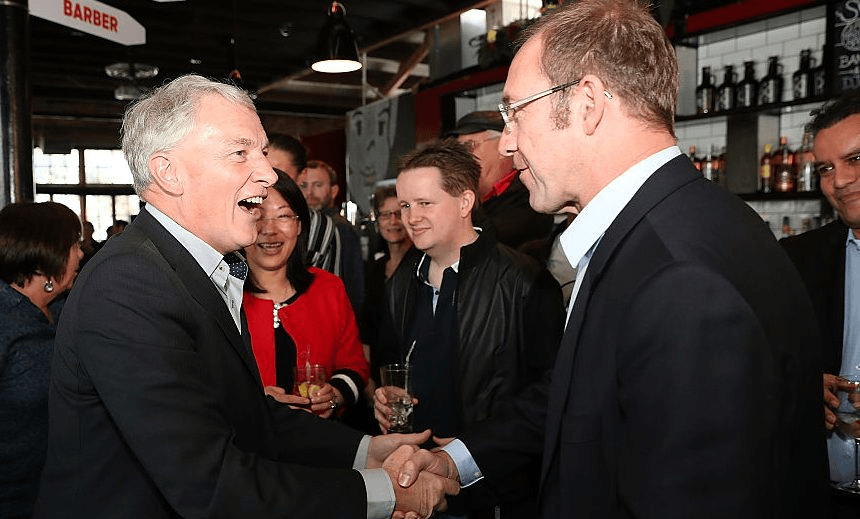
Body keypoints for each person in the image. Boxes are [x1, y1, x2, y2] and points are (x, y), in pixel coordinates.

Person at [396, 1, 828, 517]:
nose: (507, 144)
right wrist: (456, 461)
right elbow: (582, 391)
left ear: (587, 103)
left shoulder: (679, 273)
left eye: (515, 112)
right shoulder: (663, 227)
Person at [34, 74, 457, 519]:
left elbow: (252, 417)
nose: (268, 173)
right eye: (241, 153)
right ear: (167, 172)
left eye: (262, 152)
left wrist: (368, 449)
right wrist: (387, 492)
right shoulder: (130, 284)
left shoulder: (191, 269)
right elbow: (210, 484)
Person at [374, 139, 565, 517]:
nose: (410, 217)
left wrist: (465, 454)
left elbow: (551, 396)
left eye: (425, 203)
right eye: (405, 205)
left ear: (464, 203)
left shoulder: (524, 282)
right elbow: (386, 366)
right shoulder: (401, 283)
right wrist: (380, 398)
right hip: (415, 484)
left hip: (497, 490)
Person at [780, 93, 860, 517]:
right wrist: (800, 386)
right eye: (827, 168)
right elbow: (765, 362)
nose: (840, 181)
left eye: (856, 159)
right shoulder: (797, 259)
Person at [243, 168, 369, 421]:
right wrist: (252, 402)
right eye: (258, 216)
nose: (269, 230)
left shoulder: (328, 288)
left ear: (299, 226)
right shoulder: (220, 293)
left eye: (283, 216)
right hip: (246, 448)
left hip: (320, 444)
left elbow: (354, 365)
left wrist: (335, 393)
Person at [0, 202, 82, 519]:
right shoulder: (6, 321)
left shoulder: (65, 310)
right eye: (74, 244)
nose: (80, 253)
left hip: (52, 493)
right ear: (49, 251)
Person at [446, 110, 553, 253]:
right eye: (458, 150)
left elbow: (486, 244)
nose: (462, 157)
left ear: (503, 144)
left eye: (469, 146)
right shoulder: (474, 195)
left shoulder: (531, 195)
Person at [298, 159, 365, 315]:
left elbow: (354, 287)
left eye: (318, 185)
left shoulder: (341, 228)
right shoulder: (298, 225)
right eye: (303, 186)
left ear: (334, 191)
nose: (309, 192)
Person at [360, 185, 413, 358]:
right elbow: (366, 328)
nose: (393, 221)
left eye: (399, 214)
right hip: (377, 373)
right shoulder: (374, 269)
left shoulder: (424, 265)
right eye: (385, 215)